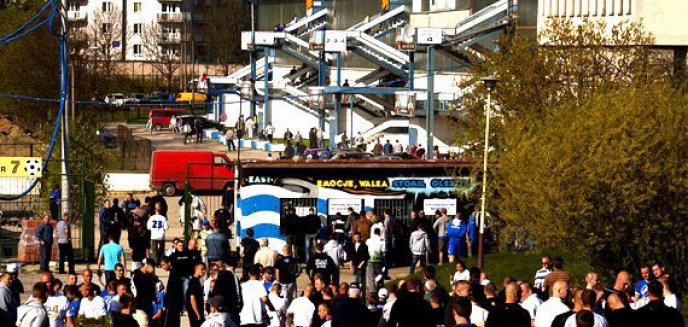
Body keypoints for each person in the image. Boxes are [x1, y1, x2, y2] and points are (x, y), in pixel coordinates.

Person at [187, 262, 207, 327]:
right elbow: (192, 299)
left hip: (199, 311)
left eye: (204, 269)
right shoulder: (193, 282)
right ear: (196, 269)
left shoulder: (198, 281)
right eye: (202, 269)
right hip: (195, 312)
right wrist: (197, 313)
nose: (204, 271)